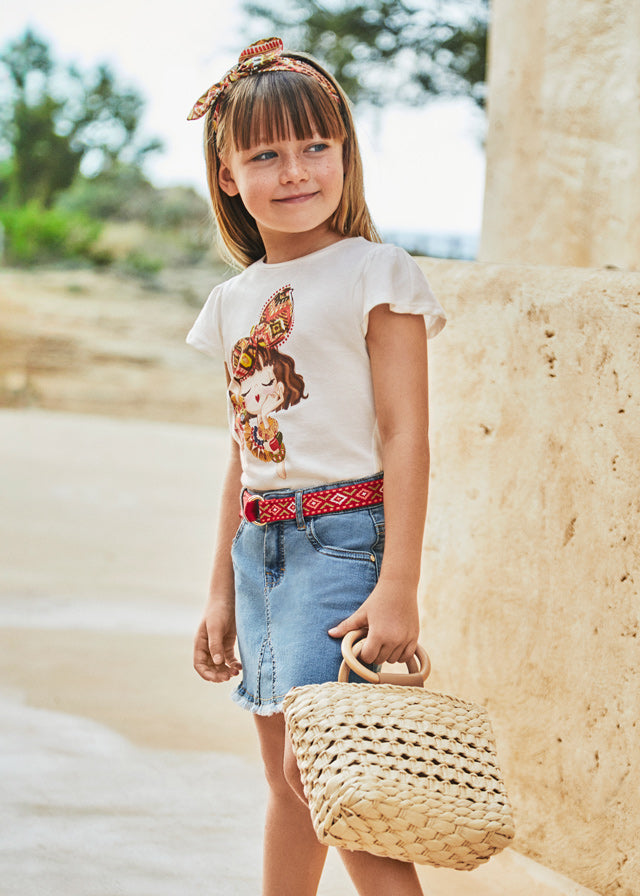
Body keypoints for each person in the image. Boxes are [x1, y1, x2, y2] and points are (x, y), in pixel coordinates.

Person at [186, 36, 446, 896]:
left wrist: (398, 584)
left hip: (344, 546)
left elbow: (408, 434)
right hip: (259, 556)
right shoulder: (231, 302)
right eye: (265, 153)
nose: (295, 170)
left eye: (315, 147)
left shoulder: (376, 271)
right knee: (289, 788)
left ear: (344, 155)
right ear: (228, 175)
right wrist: (221, 591)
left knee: (337, 787)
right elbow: (245, 450)